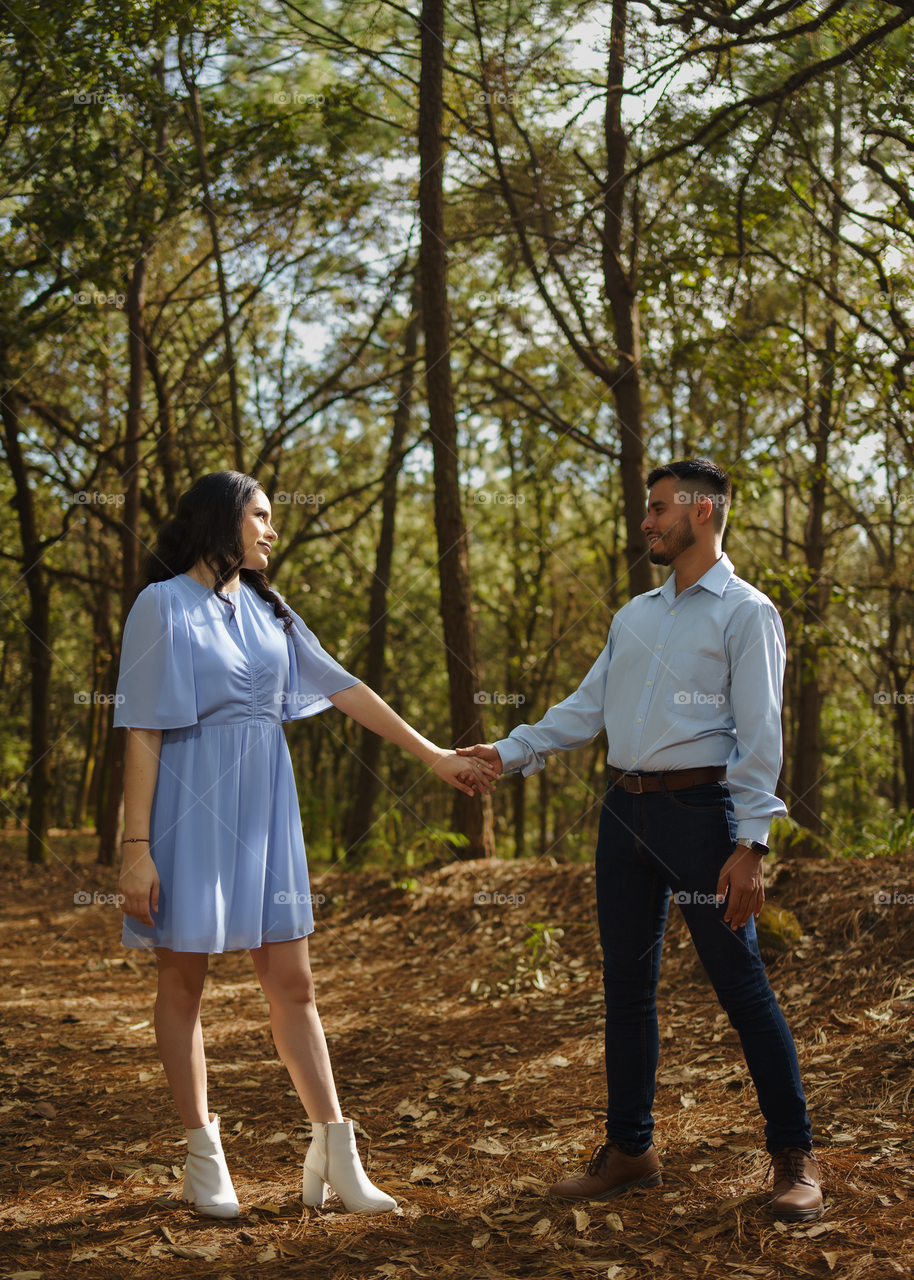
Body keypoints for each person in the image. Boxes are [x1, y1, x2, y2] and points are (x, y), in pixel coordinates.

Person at [114, 471, 497, 1219]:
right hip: (187, 810)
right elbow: (143, 729)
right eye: (260, 516)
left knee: (294, 983)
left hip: (267, 811)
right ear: (221, 521)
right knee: (183, 984)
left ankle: (334, 1146)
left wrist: (434, 757)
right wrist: (136, 847)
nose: (272, 530)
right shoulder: (161, 605)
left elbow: (346, 687)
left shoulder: (268, 610)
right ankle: (202, 1153)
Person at [457, 459, 823, 1222]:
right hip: (622, 815)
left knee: (741, 988)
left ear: (705, 512)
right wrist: (507, 750)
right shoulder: (635, 616)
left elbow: (760, 735)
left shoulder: (746, 613)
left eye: (659, 509)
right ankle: (631, 1150)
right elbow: (584, 710)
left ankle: (795, 1158)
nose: (647, 522)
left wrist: (752, 845)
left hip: (703, 818)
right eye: (647, 509)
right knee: (626, 989)